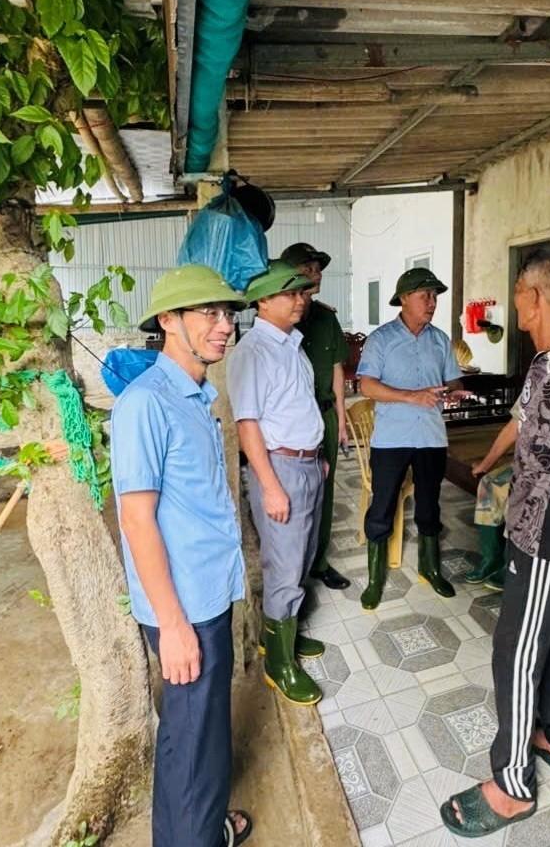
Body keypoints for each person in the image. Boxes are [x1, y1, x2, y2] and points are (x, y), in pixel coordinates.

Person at [441, 245, 550, 839]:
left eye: (516, 290)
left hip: (548, 537)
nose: (512, 301)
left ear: (536, 297)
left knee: (513, 654)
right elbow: (519, 418)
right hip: (532, 527)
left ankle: (512, 785)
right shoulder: (546, 361)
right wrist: (486, 461)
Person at [110, 264, 253, 847]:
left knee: (191, 737)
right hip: (184, 607)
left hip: (204, 594)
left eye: (228, 314)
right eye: (209, 314)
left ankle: (190, 833)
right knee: (195, 745)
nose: (225, 327)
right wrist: (171, 624)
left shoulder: (194, 395)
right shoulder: (147, 403)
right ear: (168, 321)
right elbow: (136, 518)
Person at [227, 260, 326, 706]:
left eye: (303, 292)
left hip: (307, 465)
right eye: (291, 293)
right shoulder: (253, 352)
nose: (301, 300)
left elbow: (297, 409)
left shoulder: (293, 346)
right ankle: (278, 663)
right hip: (279, 469)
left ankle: (280, 638)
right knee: (284, 567)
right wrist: (270, 486)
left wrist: (318, 458)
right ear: (264, 301)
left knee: (301, 558)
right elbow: (248, 427)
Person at [356, 267, 468, 610]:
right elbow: (366, 385)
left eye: (435, 296)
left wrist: (453, 393)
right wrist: (412, 396)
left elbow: (455, 382)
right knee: (383, 505)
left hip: (431, 437)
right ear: (404, 298)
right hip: (391, 438)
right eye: (425, 295)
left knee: (430, 503)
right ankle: (375, 579)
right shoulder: (382, 340)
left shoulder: (439, 340)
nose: (432, 303)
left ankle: (430, 567)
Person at [281, 242, 351, 591]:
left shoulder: (327, 318)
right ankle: (291, 565)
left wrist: (341, 419)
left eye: (318, 268)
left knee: (324, 492)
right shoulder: (281, 321)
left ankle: (319, 562)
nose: (317, 274)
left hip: (325, 418)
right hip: (291, 425)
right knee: (292, 494)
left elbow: (337, 369)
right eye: (309, 268)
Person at [466, 415, 518, 591]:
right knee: (489, 484)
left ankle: (514, 564)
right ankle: (492, 558)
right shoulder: (533, 389)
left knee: (518, 496)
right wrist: (486, 464)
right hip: (525, 463)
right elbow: (513, 427)